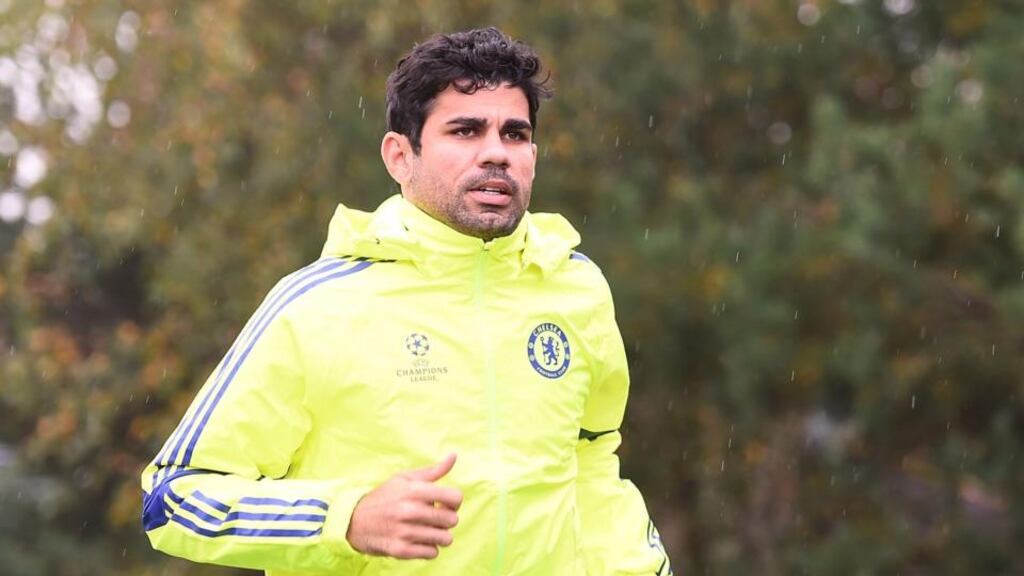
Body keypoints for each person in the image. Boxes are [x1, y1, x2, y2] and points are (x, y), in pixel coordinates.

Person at [141, 27, 672, 575]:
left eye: (514, 134)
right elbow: (172, 499)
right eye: (465, 130)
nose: (496, 153)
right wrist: (346, 519)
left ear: (533, 154)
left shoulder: (576, 285)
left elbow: (589, 461)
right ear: (400, 156)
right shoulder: (317, 306)